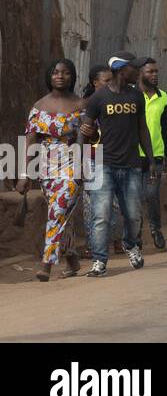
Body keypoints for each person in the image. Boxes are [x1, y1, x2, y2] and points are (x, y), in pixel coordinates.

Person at [78, 52, 155, 277]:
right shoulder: (98, 98)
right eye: (135, 68)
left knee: (132, 214)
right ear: (122, 70)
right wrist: (82, 162)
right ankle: (99, 261)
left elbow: (142, 129)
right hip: (103, 164)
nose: (138, 72)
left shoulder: (136, 96)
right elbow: (85, 130)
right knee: (100, 215)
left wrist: (150, 160)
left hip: (131, 164)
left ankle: (131, 245)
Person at [19, 59, 84, 280]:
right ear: (50, 76)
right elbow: (30, 140)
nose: (60, 76)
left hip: (72, 164)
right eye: (55, 72)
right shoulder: (38, 107)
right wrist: (25, 174)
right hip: (46, 167)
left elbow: (94, 137)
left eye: (65, 73)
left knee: (57, 211)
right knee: (60, 213)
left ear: (72, 77)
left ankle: (46, 263)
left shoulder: (81, 105)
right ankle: (73, 259)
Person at [76, 64, 120, 258]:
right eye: (106, 80)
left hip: (113, 157)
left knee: (116, 203)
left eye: (112, 80)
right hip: (93, 157)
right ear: (95, 83)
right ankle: (92, 244)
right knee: (93, 204)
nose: (111, 84)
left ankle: (116, 240)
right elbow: (81, 136)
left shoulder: (116, 101)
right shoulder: (85, 105)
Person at [137, 58, 167, 251]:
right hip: (134, 155)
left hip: (156, 155)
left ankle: (155, 229)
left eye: (156, 71)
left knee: (151, 195)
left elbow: (166, 127)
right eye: (150, 72)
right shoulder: (132, 96)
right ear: (140, 74)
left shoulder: (163, 97)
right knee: (135, 197)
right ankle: (136, 234)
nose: (155, 75)